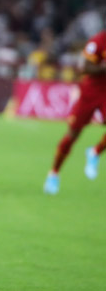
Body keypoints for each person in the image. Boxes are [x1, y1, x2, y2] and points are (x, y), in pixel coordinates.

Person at [43, 30, 106, 194]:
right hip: (91, 92)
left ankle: (95, 152)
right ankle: (54, 173)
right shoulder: (98, 41)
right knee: (73, 134)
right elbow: (86, 67)